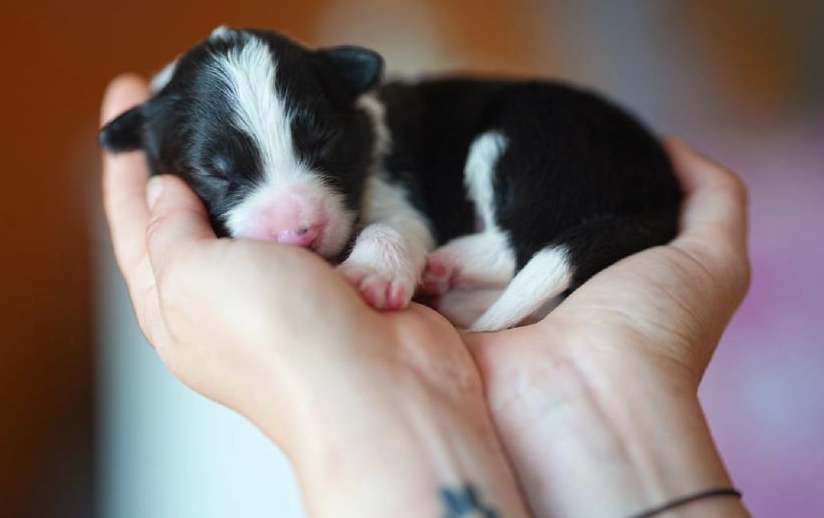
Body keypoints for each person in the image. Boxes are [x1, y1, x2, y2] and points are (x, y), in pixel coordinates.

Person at [101, 74, 752, 518]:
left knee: (521, 151)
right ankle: (513, 257)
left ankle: (511, 252)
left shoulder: (395, 147)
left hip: (573, 164)